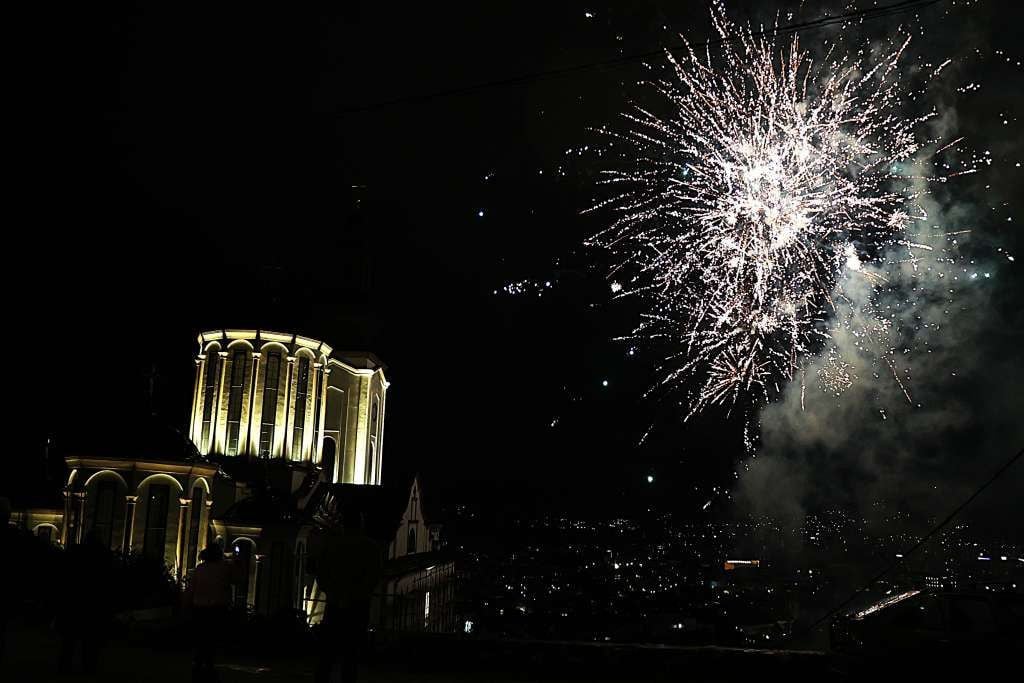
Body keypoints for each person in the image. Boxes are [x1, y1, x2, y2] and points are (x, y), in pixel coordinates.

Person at [314, 507, 384, 683]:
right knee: (351, 655)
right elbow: (374, 576)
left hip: (334, 603)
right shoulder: (370, 547)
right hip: (358, 606)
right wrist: (359, 593)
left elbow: (321, 573)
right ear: (360, 524)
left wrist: (333, 592)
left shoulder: (332, 545)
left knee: (327, 655)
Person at [185, 544, 234, 682]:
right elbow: (237, 580)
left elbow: (191, 589)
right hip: (217, 609)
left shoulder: (200, 569)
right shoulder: (224, 569)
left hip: (200, 609)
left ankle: (199, 664)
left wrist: (186, 604)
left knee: (201, 638)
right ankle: (208, 665)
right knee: (212, 638)